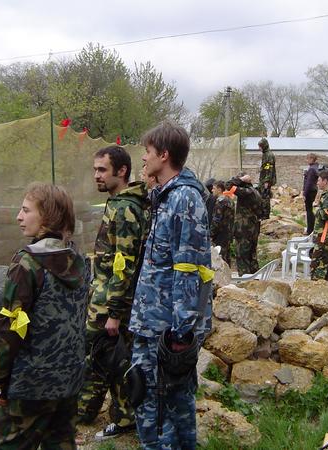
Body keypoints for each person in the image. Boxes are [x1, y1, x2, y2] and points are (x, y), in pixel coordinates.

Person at [0, 182, 91, 449]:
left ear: (47, 216)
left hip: (32, 384)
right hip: (69, 378)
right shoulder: (78, 259)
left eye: (26, 210)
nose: (18, 217)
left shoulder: (27, 263)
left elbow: (12, 325)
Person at [129, 121, 213, 450]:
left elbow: (190, 268)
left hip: (166, 328)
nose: (143, 158)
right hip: (154, 321)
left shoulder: (184, 199)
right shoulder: (166, 196)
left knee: (160, 404)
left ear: (164, 155)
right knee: (166, 402)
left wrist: (181, 332)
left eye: (147, 152)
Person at [77, 146, 151, 440]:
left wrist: (115, 313)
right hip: (105, 296)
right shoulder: (120, 203)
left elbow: (124, 265)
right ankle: (89, 411)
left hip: (111, 301)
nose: (96, 175)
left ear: (121, 171)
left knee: (108, 359)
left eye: (102, 170)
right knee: (105, 357)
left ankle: (120, 417)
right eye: (95, 169)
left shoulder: (126, 209)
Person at [227, 173, 262, 276]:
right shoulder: (255, 191)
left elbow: (228, 185)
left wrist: (240, 179)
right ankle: (255, 278)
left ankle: (244, 279)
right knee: (251, 255)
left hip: (244, 228)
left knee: (242, 255)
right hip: (253, 227)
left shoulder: (245, 192)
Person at [210, 180, 235, 266]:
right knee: (227, 258)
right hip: (228, 233)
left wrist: (211, 234)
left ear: (219, 189)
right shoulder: (229, 200)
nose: (212, 190)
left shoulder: (220, 202)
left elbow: (216, 220)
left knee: (221, 259)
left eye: (214, 188)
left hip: (220, 235)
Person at [257, 137, 276, 220]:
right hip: (263, 179)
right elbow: (265, 167)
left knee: (265, 197)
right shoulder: (265, 154)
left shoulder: (269, 155)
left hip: (266, 180)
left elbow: (269, 168)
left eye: (260, 146)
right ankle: (262, 214)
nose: (259, 148)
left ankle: (265, 215)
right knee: (262, 196)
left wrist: (267, 181)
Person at [302, 153, 319, 235]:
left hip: (310, 191)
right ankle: (312, 228)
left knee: (309, 210)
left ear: (312, 159)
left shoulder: (312, 169)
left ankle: (310, 229)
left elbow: (308, 182)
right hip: (313, 190)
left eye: (308, 159)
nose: (307, 160)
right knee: (310, 210)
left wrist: (304, 194)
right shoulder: (315, 167)